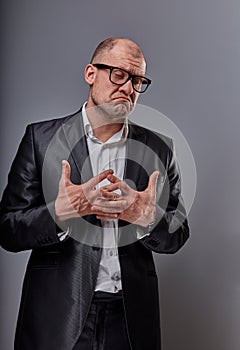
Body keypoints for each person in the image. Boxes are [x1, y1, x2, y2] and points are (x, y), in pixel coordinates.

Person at [0, 37, 189, 350]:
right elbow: (7, 229)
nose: (128, 88)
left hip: (130, 321)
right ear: (91, 73)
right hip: (57, 316)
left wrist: (146, 218)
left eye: (137, 80)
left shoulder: (160, 149)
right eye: (118, 74)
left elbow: (179, 233)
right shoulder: (41, 140)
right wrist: (59, 214)